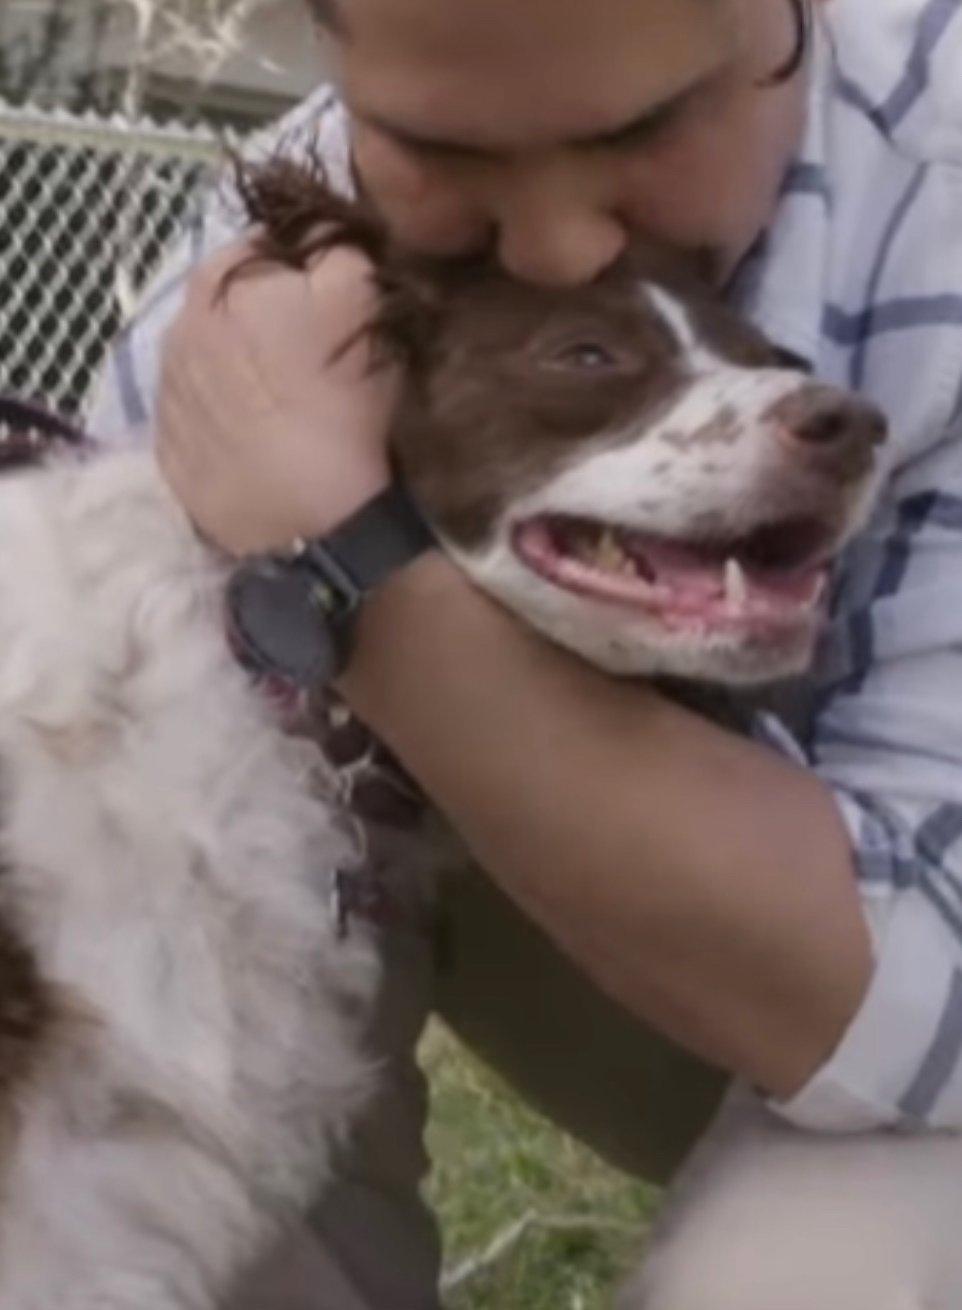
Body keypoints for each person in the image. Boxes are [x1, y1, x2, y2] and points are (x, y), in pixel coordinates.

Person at [85, 0, 962, 1305]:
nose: (560, 248)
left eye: (649, 126)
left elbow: (932, 1010)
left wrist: (350, 568)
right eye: (442, 148)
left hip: (916, 1042)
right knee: (141, 942)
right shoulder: (269, 267)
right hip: (628, 937)